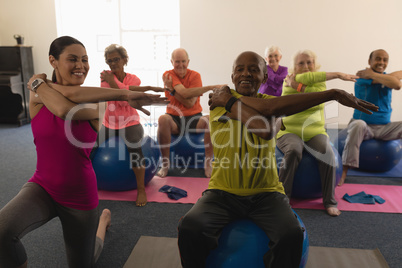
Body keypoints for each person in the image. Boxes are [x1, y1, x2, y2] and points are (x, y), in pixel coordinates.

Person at [177, 51, 377, 267]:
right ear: (232, 75)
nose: (246, 74)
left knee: (291, 234)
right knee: (189, 227)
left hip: (267, 193)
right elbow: (261, 120)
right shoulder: (217, 104)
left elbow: (265, 129)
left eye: (254, 70)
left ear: (264, 78)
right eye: (240, 69)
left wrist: (333, 93)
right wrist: (227, 102)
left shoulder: (252, 102)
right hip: (221, 192)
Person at [0, 36, 167, 267]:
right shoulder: (38, 93)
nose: (81, 65)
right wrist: (124, 94)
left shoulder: (93, 102)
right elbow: (62, 101)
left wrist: (38, 83)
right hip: (42, 186)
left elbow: (65, 108)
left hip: (79, 195)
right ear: (53, 60)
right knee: (2, 231)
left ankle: (102, 223)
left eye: (85, 60)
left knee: (83, 262)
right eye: (72, 59)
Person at [276, 49, 361, 217]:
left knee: (328, 154)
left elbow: (315, 102)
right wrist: (336, 74)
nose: (306, 66)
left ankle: (329, 201)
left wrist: (298, 87)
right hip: (290, 130)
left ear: (315, 64)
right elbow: (297, 101)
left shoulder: (319, 83)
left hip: (315, 131)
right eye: (301, 63)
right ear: (295, 66)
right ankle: (282, 200)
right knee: (293, 150)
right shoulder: (288, 80)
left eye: (309, 62)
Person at [93, 44, 166, 207]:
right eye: (109, 60)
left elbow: (123, 99)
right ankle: (87, 185)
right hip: (109, 123)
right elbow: (120, 97)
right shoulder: (105, 77)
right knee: (91, 146)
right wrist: (119, 86)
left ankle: (141, 189)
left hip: (130, 122)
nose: (113, 63)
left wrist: (116, 84)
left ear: (124, 60)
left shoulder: (134, 79)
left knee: (135, 149)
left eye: (116, 59)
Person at [339, 49, 402, 185]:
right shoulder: (361, 78)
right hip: (364, 126)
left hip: (385, 128)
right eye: (378, 59)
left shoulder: (376, 76)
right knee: (358, 124)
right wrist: (373, 75)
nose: (381, 62)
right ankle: (344, 171)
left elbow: (397, 84)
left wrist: (372, 74)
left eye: (385, 60)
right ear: (370, 61)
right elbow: (395, 82)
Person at [157, 48, 223, 178]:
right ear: (172, 62)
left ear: (188, 62)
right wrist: (210, 87)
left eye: (183, 61)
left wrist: (172, 90)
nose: (180, 65)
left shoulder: (195, 76)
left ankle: (208, 162)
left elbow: (191, 103)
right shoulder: (168, 75)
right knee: (162, 119)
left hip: (194, 119)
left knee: (210, 119)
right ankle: (165, 164)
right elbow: (186, 95)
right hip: (174, 119)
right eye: (177, 61)